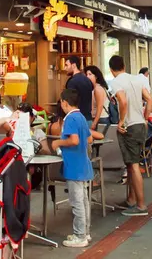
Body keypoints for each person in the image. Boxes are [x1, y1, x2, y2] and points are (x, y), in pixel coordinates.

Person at [109, 55, 152, 216]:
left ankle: (141, 205)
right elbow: (149, 100)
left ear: (111, 69)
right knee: (131, 163)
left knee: (134, 165)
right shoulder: (137, 79)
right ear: (124, 66)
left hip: (129, 127)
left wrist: (121, 121)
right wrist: (146, 118)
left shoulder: (116, 82)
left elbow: (123, 101)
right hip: (140, 124)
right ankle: (131, 199)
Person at [55, 88, 94, 248]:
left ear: (64, 103)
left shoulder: (70, 119)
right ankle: (85, 231)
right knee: (84, 201)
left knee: (76, 202)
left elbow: (75, 140)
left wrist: (58, 143)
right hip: (83, 164)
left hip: (74, 166)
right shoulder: (82, 117)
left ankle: (80, 236)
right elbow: (89, 139)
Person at [63, 55, 94, 120]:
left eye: (66, 65)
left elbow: (69, 103)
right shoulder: (87, 80)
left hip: (77, 119)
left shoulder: (72, 82)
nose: (64, 68)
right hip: (88, 118)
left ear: (73, 65)